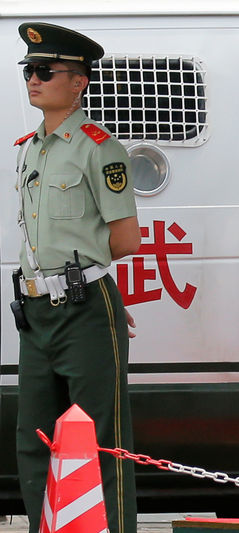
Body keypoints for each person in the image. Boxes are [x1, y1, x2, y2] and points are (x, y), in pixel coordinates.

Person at [12, 22, 140, 533]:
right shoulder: (31, 148)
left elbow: (126, 239)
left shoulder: (97, 147)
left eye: (45, 71)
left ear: (79, 81)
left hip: (83, 306)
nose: (33, 80)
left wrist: (82, 277)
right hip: (36, 310)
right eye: (29, 71)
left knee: (101, 438)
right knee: (34, 438)